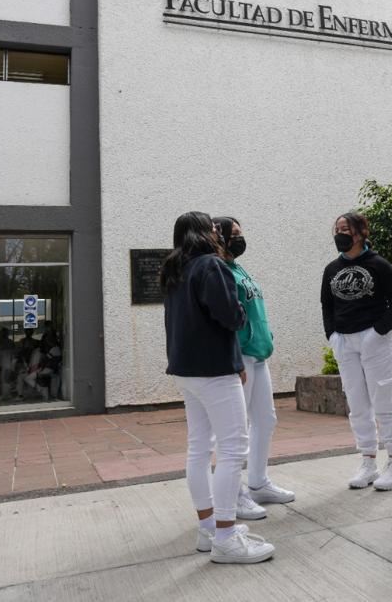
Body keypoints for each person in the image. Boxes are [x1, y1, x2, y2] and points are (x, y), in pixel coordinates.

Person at [162, 211, 274, 564]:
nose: (217, 232)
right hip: (214, 369)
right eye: (212, 228)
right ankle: (226, 537)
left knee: (198, 447)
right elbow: (230, 316)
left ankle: (208, 529)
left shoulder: (174, 270)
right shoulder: (211, 266)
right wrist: (238, 311)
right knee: (232, 449)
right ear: (202, 232)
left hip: (186, 370)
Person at [214, 216, 296, 521]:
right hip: (241, 357)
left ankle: (259, 482)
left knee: (266, 420)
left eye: (240, 233)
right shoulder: (219, 270)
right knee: (235, 431)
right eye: (233, 234)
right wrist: (235, 356)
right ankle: (234, 495)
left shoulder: (238, 268)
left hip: (259, 355)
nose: (239, 238)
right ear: (218, 236)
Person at [321, 212, 392, 491]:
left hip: (375, 339)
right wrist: (332, 335)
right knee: (357, 404)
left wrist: (378, 332)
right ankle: (368, 460)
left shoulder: (379, 265)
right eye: (337, 229)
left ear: (360, 232)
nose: (340, 233)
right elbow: (327, 305)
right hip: (345, 342)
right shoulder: (331, 269)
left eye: (345, 228)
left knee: (383, 400)